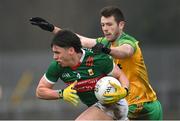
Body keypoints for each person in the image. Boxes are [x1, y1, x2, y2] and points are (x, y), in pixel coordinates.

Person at [30, 6, 163, 120]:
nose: (105, 28)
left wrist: (106, 50)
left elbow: (125, 52)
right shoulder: (103, 42)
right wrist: (52, 29)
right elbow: (76, 40)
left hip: (144, 104)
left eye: (109, 24)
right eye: (103, 25)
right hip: (121, 104)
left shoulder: (128, 42)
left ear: (121, 25)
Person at [35, 30, 130, 120]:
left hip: (113, 104)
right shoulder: (57, 66)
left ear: (71, 50)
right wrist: (61, 94)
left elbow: (120, 76)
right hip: (95, 108)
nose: (55, 57)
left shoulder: (98, 59)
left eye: (57, 52)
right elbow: (40, 91)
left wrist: (124, 90)